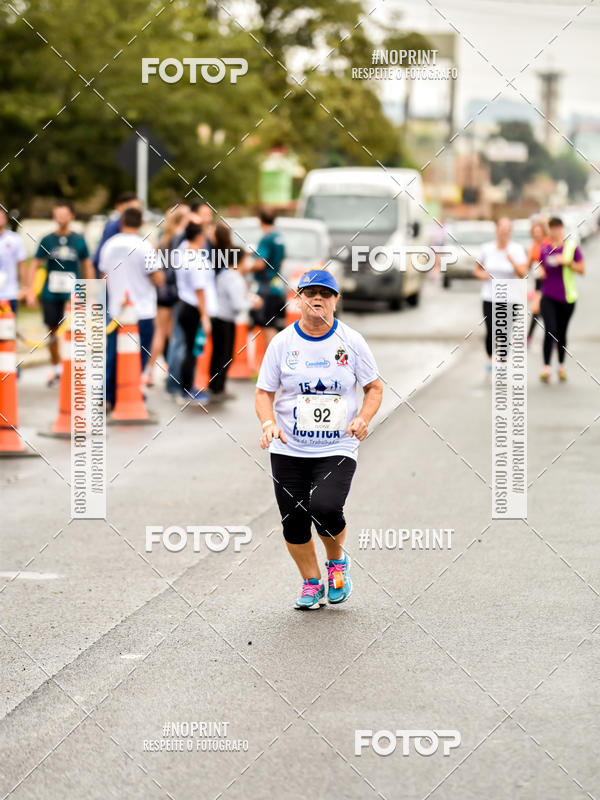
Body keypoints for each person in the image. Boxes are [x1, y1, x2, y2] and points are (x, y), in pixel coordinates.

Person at [255, 269, 383, 609]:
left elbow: (374, 387)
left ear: (335, 300)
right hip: (289, 447)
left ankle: (336, 562)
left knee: (325, 508)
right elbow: (264, 392)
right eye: (310, 293)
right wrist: (268, 423)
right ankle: (311, 583)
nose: (317, 299)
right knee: (294, 522)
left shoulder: (351, 341)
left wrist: (363, 418)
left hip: (337, 445)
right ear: (298, 299)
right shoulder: (282, 343)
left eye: (325, 294)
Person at [99, 207, 164, 409]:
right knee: (138, 356)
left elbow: (103, 276)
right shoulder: (144, 246)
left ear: (122, 222)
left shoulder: (109, 245)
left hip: (116, 310)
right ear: (141, 223)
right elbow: (158, 279)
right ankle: (131, 392)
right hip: (142, 310)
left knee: (113, 354)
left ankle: (108, 395)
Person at [26, 202, 94, 386]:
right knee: (52, 331)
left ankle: (76, 368)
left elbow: (87, 265)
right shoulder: (47, 240)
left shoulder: (79, 240)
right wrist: (30, 290)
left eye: (64, 214)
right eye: (57, 214)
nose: (61, 218)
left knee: (76, 330)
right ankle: (56, 367)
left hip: (73, 293)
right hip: (51, 292)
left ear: (72, 216)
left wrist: (90, 289)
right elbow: (35, 264)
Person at [208, 222, 261, 402]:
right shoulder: (234, 278)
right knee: (225, 355)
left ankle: (216, 386)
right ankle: (218, 387)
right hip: (225, 319)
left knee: (218, 353)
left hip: (219, 318)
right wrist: (253, 304)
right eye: (245, 260)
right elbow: (238, 304)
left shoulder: (224, 275)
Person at [473, 217, 527, 370]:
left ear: (511, 232)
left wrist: (512, 262)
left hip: (510, 298)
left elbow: (523, 274)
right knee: (491, 330)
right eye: (502, 230)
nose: (504, 233)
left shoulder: (516, 249)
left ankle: (502, 364)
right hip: (489, 296)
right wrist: (482, 275)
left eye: (507, 230)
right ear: (496, 230)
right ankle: (490, 359)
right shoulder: (486, 248)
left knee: (504, 331)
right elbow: (476, 270)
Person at [145, 204, 190, 386]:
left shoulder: (163, 237)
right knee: (171, 333)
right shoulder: (181, 237)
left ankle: (152, 370)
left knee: (162, 331)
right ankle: (159, 370)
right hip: (175, 290)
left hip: (163, 289)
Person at [538, 217, 585, 383]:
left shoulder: (571, 247)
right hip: (548, 296)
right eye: (552, 228)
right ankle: (546, 368)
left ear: (562, 229)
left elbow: (582, 269)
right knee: (550, 330)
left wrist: (567, 262)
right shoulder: (544, 249)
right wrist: (540, 272)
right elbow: (539, 267)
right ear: (549, 230)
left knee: (561, 332)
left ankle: (561, 366)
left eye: (557, 228)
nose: (555, 231)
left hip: (567, 297)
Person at [174, 222, 216, 406]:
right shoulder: (195, 259)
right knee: (191, 350)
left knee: (189, 348)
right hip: (193, 308)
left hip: (186, 305)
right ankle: (187, 389)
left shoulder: (184, 254)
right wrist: (205, 316)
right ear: (199, 237)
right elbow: (199, 290)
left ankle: (186, 387)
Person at [249, 209, 286, 346]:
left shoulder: (266, 239)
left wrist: (244, 267)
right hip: (277, 287)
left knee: (268, 327)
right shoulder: (279, 237)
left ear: (260, 220)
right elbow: (281, 261)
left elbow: (260, 263)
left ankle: (274, 358)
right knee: (275, 326)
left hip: (266, 288)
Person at [93, 192, 141, 274]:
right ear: (119, 207)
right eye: (132, 209)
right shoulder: (113, 227)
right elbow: (100, 257)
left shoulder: (130, 227)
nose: (135, 214)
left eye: (138, 209)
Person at [526, 218, 550, 344]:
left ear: (543, 232)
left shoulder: (548, 244)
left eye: (538, 231)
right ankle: (551, 336)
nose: (536, 234)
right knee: (538, 310)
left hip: (548, 282)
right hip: (537, 282)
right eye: (534, 232)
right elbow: (528, 265)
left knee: (539, 309)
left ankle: (530, 336)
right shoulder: (533, 246)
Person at [0, 207, 27, 314]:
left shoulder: (14, 239)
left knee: (8, 322)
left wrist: (24, 288)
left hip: (9, 293)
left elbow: (22, 264)